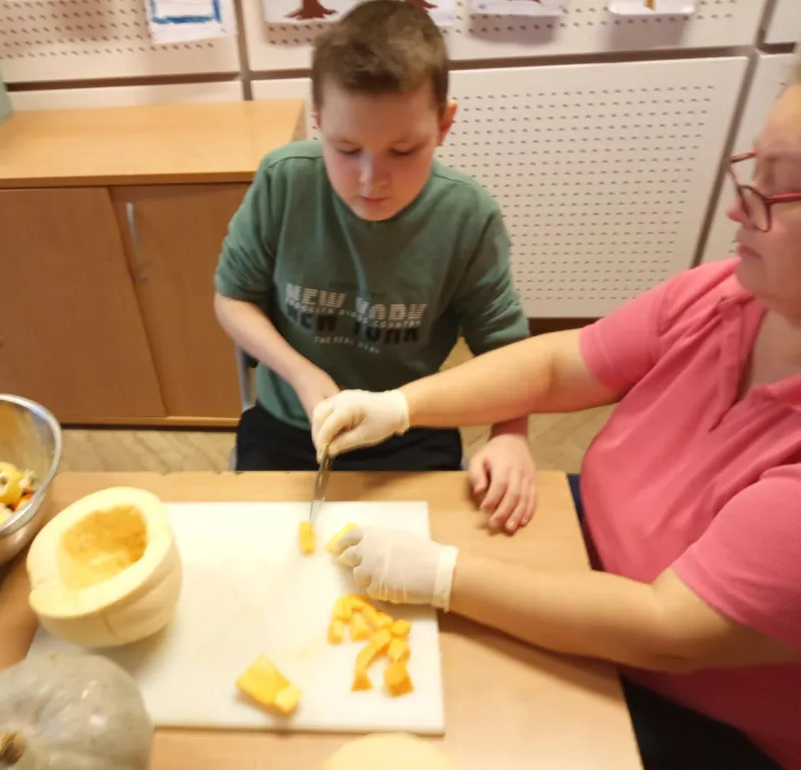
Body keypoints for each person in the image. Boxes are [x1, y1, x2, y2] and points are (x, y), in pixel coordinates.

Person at [308, 66, 801, 770]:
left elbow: (667, 630)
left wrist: (441, 575)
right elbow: (556, 364)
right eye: (752, 172)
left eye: (778, 189)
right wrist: (400, 406)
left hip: (692, 710)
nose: (736, 211)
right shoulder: (724, 295)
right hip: (581, 554)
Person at [212, 0, 537, 531]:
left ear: (444, 124)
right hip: (290, 420)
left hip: (412, 422)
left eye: (403, 151)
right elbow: (233, 298)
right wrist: (301, 373)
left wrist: (511, 435)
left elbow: (508, 352)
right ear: (319, 121)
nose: (371, 180)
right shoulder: (283, 182)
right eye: (346, 149)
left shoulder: (467, 216)